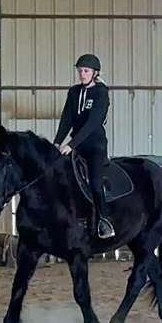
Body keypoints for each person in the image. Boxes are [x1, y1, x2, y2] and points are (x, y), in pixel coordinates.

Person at [53, 53, 115, 239]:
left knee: (95, 183)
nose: (82, 74)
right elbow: (67, 119)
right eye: (80, 71)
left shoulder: (101, 93)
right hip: (75, 145)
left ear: (95, 73)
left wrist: (71, 144)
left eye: (86, 71)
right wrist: (57, 142)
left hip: (94, 146)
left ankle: (105, 221)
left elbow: (93, 123)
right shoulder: (73, 92)